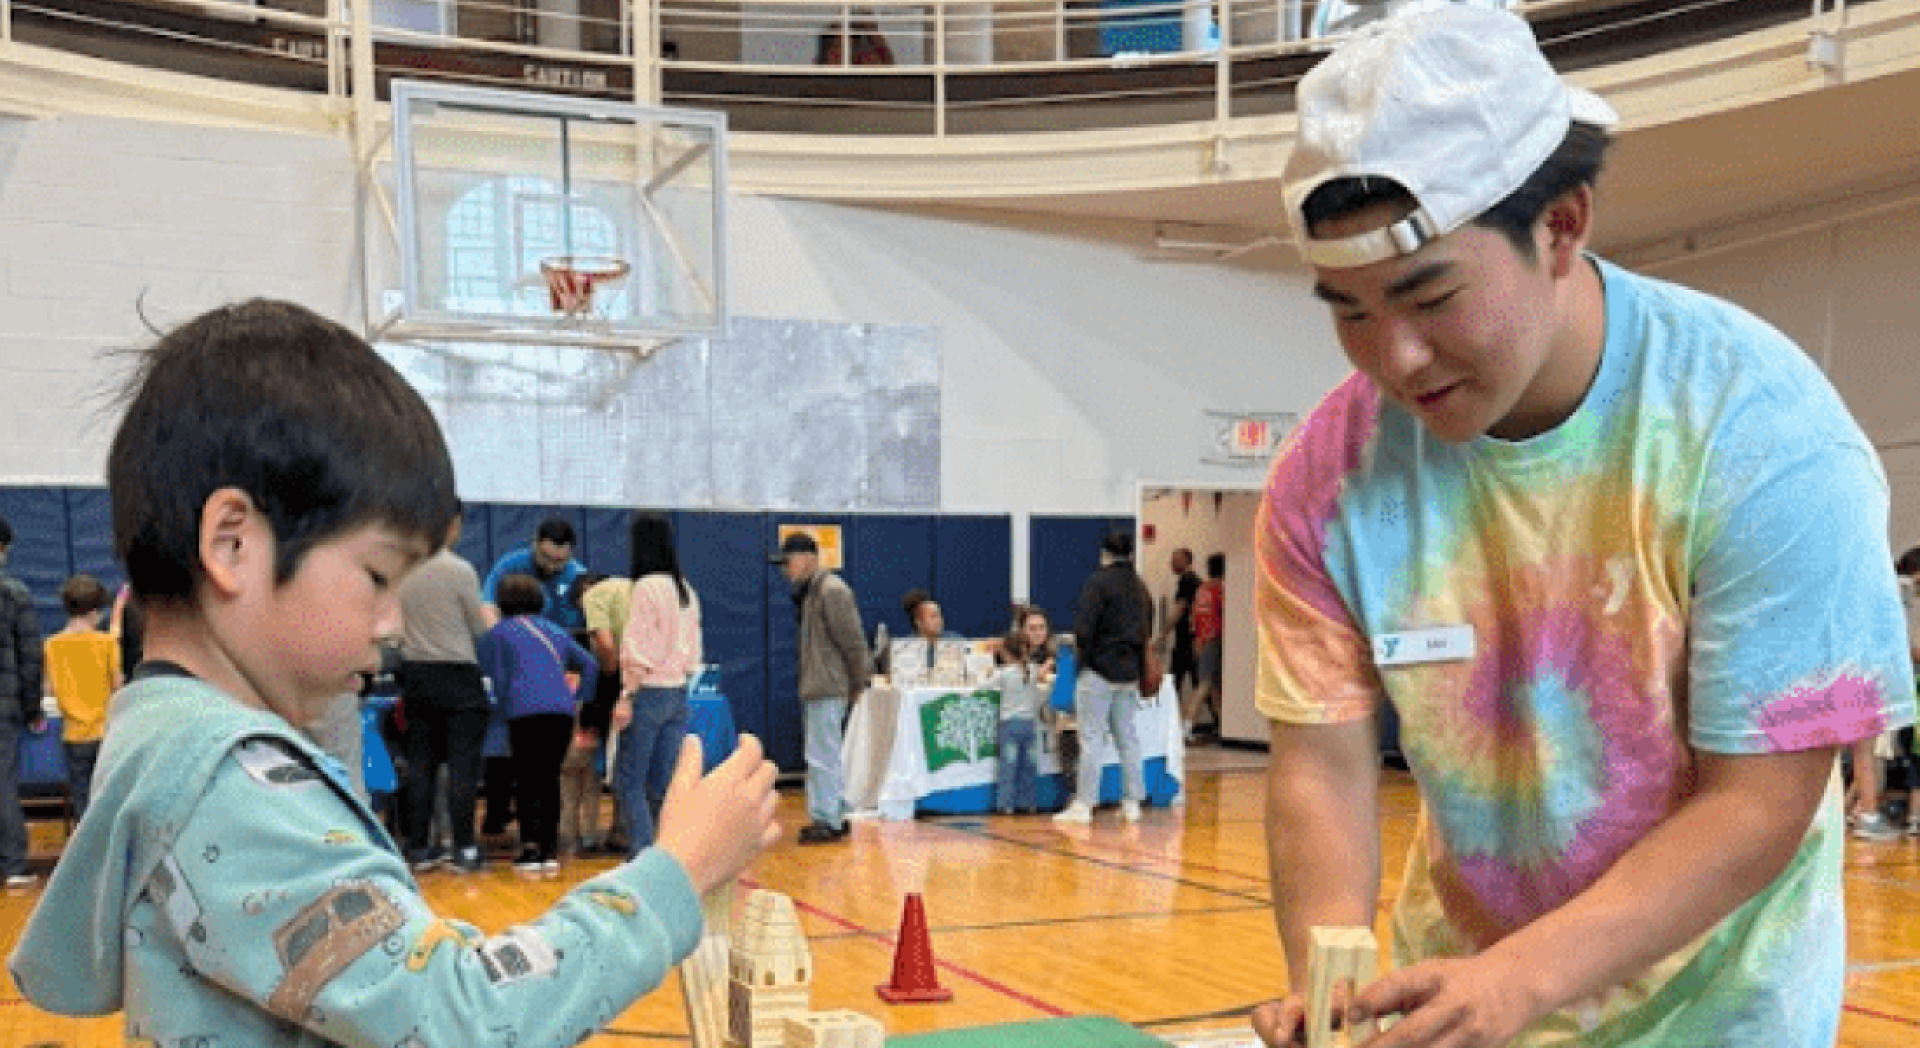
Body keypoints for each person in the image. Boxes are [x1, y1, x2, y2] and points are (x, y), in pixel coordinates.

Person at [1248, 9, 1915, 1046]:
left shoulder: (1762, 435)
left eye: (1431, 297)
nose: (1398, 357)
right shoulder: (1324, 483)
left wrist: (1519, 980)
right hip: (1467, 1004)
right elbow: (1319, 764)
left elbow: (1761, 803)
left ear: (1561, 226)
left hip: (1722, 1017)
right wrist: (1325, 975)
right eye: (1350, 310)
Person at [7, 299, 781, 1043]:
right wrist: (676, 874)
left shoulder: (168, 738)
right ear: (233, 544)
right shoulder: (222, 777)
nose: (392, 622)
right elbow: (463, 1020)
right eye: (378, 578)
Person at [396, 503, 496, 872]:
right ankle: (464, 849)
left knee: (420, 764)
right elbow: (479, 627)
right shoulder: (459, 570)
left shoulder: (401, 569)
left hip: (416, 675)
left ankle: (419, 849)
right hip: (458, 676)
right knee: (462, 766)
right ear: (453, 525)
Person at [479, 574, 599, 874]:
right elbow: (590, 664)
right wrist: (580, 699)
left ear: (502, 601)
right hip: (562, 711)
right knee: (549, 778)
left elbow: (497, 677)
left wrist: (504, 706)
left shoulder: (499, 633)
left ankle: (531, 848)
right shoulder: (555, 630)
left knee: (528, 778)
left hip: (523, 711)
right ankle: (549, 849)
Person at [772, 531, 873, 844]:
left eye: (788, 562)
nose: (785, 570)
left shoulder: (831, 590)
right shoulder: (812, 592)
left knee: (821, 755)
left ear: (808, 559)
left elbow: (853, 640)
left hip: (828, 685)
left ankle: (826, 819)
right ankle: (834, 813)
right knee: (825, 753)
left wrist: (860, 682)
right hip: (821, 683)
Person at [612, 512, 703, 857]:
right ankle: (661, 857)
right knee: (660, 785)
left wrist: (627, 695)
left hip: (647, 691)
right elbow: (694, 653)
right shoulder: (686, 591)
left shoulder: (646, 586)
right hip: (678, 692)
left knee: (630, 781)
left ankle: (642, 856)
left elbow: (638, 649)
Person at [1054, 530, 1150, 826]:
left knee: (1091, 738)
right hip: (1130, 672)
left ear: (1105, 552)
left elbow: (1084, 630)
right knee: (1128, 738)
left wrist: (1089, 653)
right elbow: (1148, 629)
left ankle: (1084, 805)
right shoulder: (1139, 587)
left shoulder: (1097, 583)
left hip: (1099, 672)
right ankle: (1132, 802)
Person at [44, 574, 118, 825]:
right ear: (94, 612)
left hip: (73, 735)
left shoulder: (52, 645)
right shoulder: (106, 642)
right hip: (104, 732)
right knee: (108, 798)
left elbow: (49, 689)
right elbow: (117, 684)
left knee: (82, 802)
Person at [0, 513, 44, 890]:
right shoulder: (14, 593)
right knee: (3, 782)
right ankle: (13, 865)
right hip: (4, 706)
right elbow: (30, 657)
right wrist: (32, 708)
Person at [580, 569, 636, 854]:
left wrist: (609, 673)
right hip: (658, 678)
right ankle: (628, 830)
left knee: (620, 761)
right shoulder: (636, 587)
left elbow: (604, 642)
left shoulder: (594, 596)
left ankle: (624, 832)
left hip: (622, 683)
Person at [483, 516, 587, 636]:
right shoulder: (510, 566)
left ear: (570, 554)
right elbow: (487, 607)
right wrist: (500, 639)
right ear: (536, 544)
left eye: (559, 561)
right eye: (546, 557)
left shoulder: (579, 576)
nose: (551, 567)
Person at [991, 628, 1048, 815]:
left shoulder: (1004, 673)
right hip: (1029, 725)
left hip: (1010, 725)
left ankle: (1005, 805)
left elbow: (983, 686)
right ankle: (1029, 803)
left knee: (1008, 766)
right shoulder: (1032, 669)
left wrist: (989, 673)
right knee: (1028, 768)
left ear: (1006, 653)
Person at [1182, 552, 1226, 743]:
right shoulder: (1220, 589)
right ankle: (1186, 727)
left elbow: (1193, 618)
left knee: (1215, 688)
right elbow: (1225, 615)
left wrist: (1196, 641)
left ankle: (1223, 728)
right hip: (1215, 639)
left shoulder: (1202, 589)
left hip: (1201, 639)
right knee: (1205, 685)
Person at [1158, 547, 1202, 722]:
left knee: (1175, 683)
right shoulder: (1197, 581)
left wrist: (1162, 634)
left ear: (1187, 561)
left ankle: (1172, 724)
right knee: (1197, 683)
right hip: (1194, 641)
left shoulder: (1187, 581)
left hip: (1186, 642)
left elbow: (1179, 610)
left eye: (1176, 560)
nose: (1172, 563)